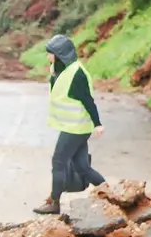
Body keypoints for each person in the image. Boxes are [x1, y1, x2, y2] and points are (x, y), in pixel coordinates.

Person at [33, 34, 106, 215]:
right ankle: (109, 193)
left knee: (58, 161)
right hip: (75, 128)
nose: (49, 57)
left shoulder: (77, 74)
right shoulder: (66, 71)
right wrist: (53, 74)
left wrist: (98, 123)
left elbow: (88, 101)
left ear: (61, 54)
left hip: (75, 128)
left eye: (51, 54)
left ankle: (54, 202)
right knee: (82, 167)